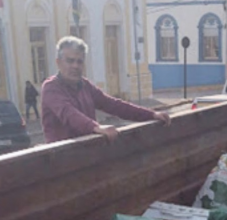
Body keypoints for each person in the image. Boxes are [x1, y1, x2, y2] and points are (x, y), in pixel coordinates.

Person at [41, 36, 170, 143]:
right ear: (58, 62)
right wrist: (95, 127)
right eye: (70, 61)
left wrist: (151, 114)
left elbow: (113, 105)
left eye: (79, 62)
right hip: (61, 161)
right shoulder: (51, 88)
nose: (75, 66)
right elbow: (68, 113)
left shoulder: (85, 85)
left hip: (88, 155)